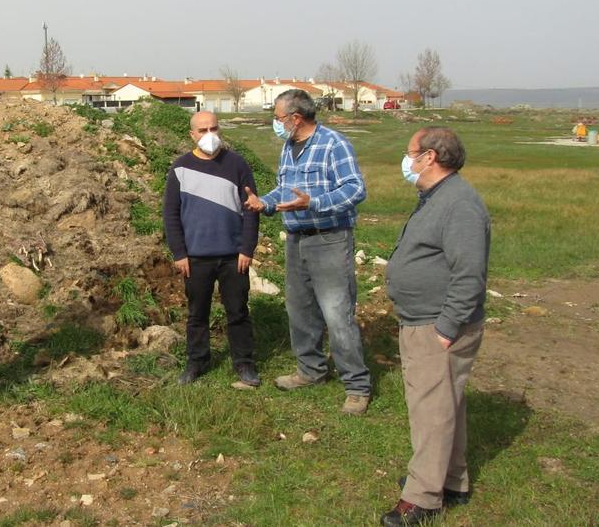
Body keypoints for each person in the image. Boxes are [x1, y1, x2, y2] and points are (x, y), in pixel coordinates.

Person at [381, 126, 490, 527]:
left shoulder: (459, 204)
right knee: (447, 405)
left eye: (410, 152)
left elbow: (469, 275)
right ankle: (451, 479)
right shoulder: (436, 197)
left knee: (431, 411)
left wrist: (445, 327)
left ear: (429, 157)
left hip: (437, 325)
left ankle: (423, 497)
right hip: (423, 320)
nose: (406, 160)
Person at [243, 88, 372, 415]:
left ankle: (356, 385)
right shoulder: (289, 147)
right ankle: (311, 371)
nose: (276, 123)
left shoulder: (333, 144)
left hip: (330, 239)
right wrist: (265, 202)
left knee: (337, 313)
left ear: (295, 118)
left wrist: (314, 203)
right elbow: (286, 190)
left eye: (277, 117)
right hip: (296, 238)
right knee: (299, 309)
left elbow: (355, 189)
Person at [163, 110, 261, 388]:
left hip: (233, 256)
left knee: (238, 311)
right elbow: (171, 214)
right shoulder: (180, 168)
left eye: (214, 128)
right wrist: (179, 253)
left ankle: (244, 363)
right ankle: (197, 361)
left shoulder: (238, 164)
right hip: (195, 257)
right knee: (197, 314)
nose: (209, 135)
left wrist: (247, 248)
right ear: (192, 135)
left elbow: (251, 209)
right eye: (203, 130)